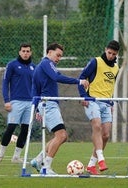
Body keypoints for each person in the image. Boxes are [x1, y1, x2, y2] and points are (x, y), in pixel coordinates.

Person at [30, 42, 89, 175]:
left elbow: (35, 89)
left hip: (47, 104)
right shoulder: (46, 63)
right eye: (57, 55)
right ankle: (46, 168)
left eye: (60, 56)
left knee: (60, 136)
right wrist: (79, 81)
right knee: (61, 135)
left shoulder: (42, 67)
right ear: (49, 52)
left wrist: (37, 109)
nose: (58, 59)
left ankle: (38, 160)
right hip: (48, 104)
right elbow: (57, 77)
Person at [78, 40, 120, 175]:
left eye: (114, 54)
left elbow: (110, 86)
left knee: (106, 135)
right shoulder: (95, 62)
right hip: (92, 101)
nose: (111, 56)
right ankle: (101, 160)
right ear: (105, 49)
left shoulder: (116, 68)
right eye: (109, 52)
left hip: (106, 103)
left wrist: (111, 103)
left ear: (117, 54)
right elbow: (81, 78)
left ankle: (91, 165)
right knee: (96, 125)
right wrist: (84, 96)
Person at [0, 43, 35, 164]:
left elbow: (37, 85)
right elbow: (5, 83)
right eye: (23, 51)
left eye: (28, 51)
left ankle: (16, 157)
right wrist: (7, 100)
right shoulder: (12, 65)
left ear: (31, 53)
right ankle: (0, 155)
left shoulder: (34, 67)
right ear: (19, 52)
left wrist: (35, 103)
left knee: (25, 129)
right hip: (16, 101)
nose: (25, 53)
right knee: (11, 127)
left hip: (30, 102)